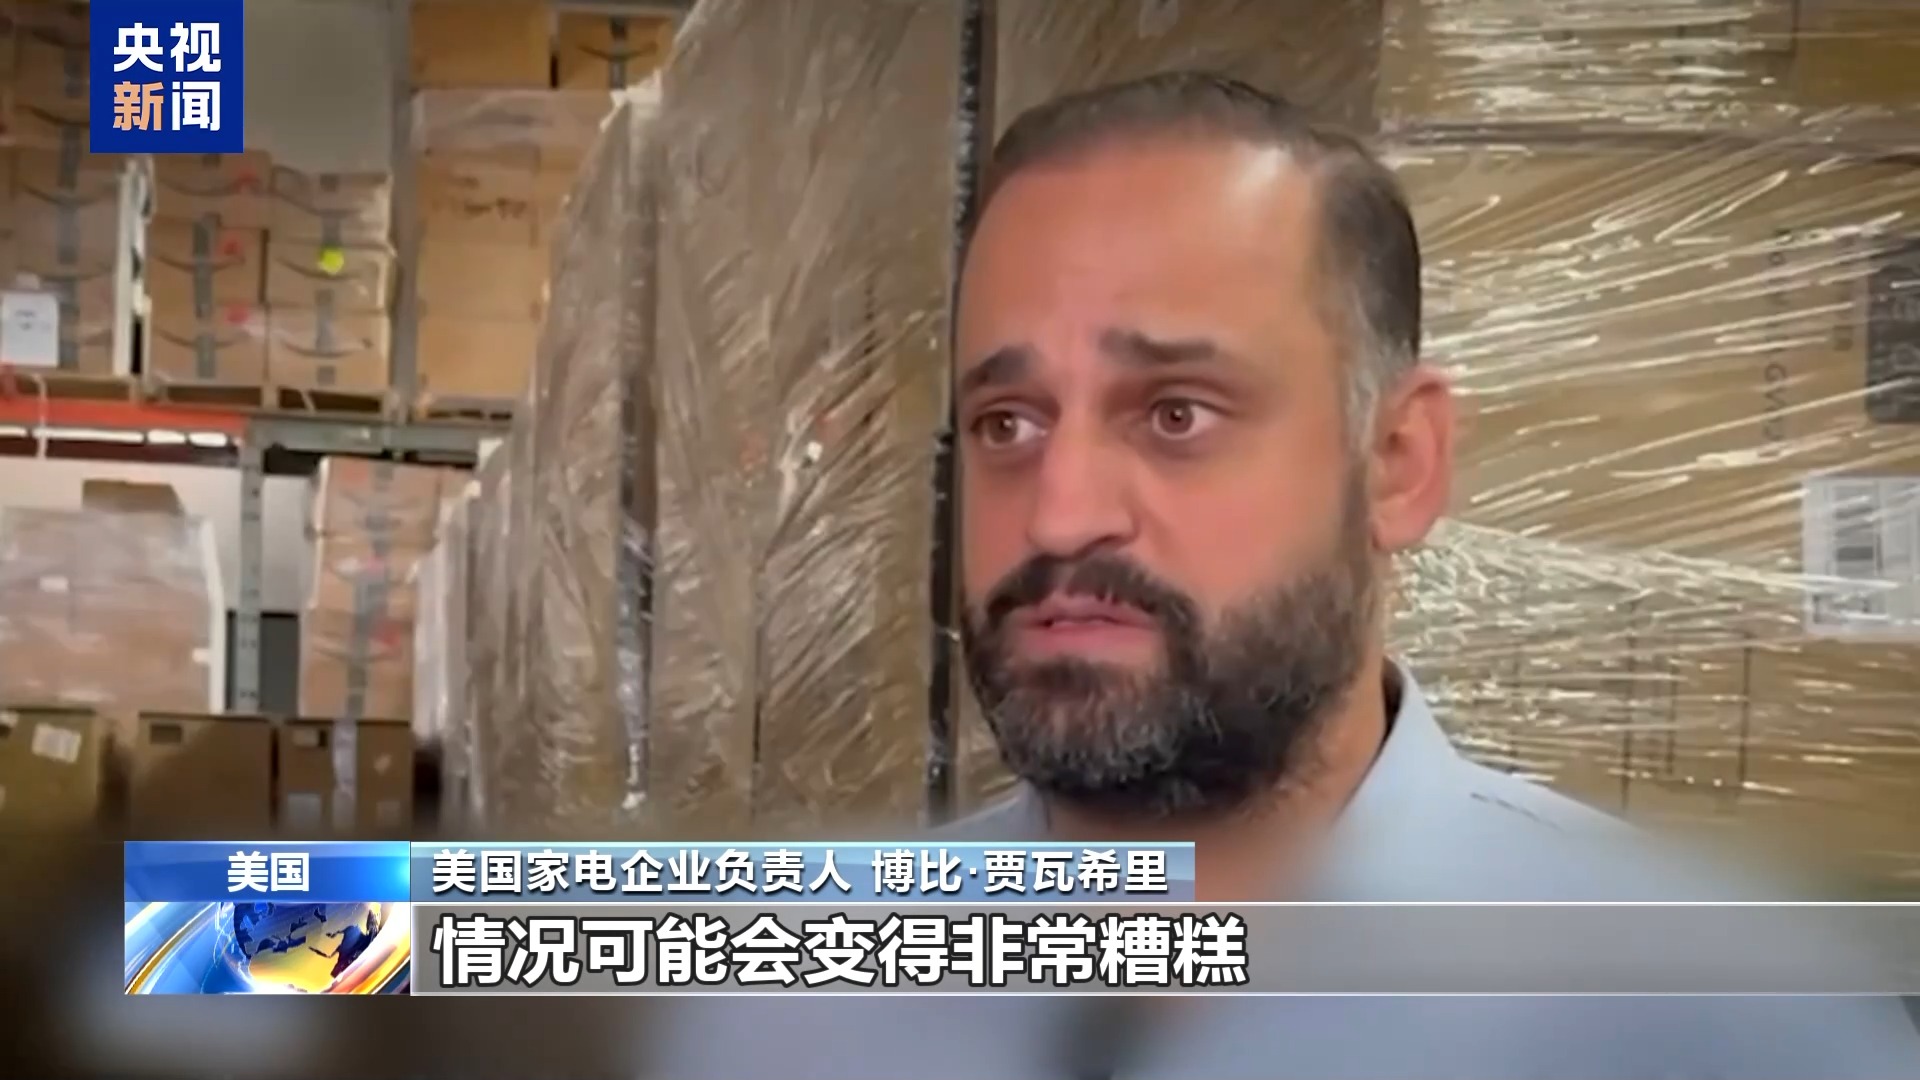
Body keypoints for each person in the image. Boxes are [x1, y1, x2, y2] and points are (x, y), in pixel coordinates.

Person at [642, 71, 1920, 1079]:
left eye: (1177, 414)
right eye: (1008, 424)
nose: (1063, 514)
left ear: (1399, 464)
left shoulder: (1729, 1023)